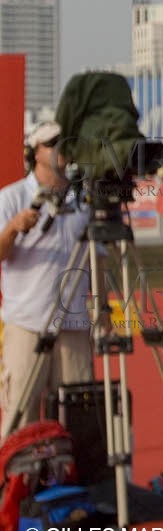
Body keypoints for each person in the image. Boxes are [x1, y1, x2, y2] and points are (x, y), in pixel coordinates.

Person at [0, 122, 91, 437]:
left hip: (75, 324)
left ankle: (79, 484)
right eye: (52, 142)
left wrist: (103, 307)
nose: (61, 147)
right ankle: (14, 484)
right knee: (20, 415)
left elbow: (101, 259)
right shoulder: (11, 198)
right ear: (34, 152)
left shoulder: (84, 201)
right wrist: (12, 228)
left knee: (80, 414)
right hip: (27, 322)